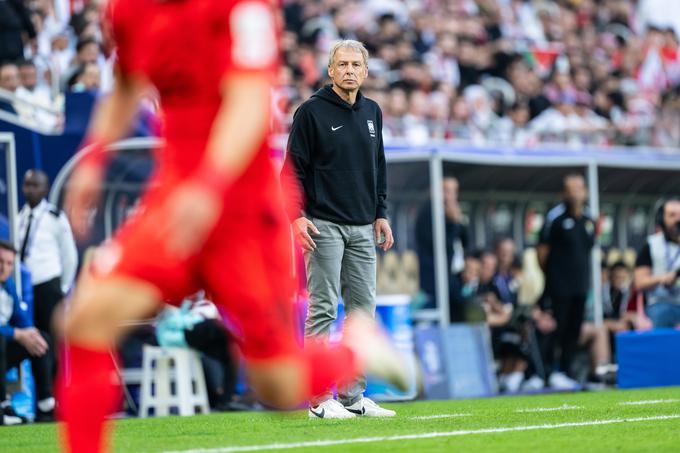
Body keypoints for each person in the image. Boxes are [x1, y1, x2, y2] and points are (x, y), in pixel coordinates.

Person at [59, 4, 407, 452]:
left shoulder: (242, 9)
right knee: (85, 319)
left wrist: (209, 185)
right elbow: (127, 82)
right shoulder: (129, 9)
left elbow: (246, 105)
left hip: (240, 209)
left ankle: (353, 353)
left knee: (279, 388)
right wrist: (94, 157)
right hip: (176, 198)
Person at [284, 39, 397, 419]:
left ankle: (353, 397)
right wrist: (297, 217)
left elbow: (378, 167)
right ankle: (318, 399)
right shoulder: (310, 113)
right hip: (324, 225)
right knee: (323, 310)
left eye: (356, 64)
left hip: (364, 226)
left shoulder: (373, 112)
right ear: (330, 70)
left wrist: (381, 212)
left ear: (365, 72)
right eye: (342, 64)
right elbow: (291, 171)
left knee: (362, 315)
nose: (349, 70)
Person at [537, 173, 595, 390]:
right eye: (570, 189)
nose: (575, 194)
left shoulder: (589, 219)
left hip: (580, 286)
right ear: (563, 193)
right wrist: (554, 275)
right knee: (556, 329)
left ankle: (568, 371)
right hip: (559, 286)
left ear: (585, 191)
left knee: (574, 330)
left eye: (579, 188)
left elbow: (588, 250)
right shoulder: (555, 218)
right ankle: (549, 371)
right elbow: (542, 253)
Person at [0, 240, 55, 425]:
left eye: (8, 263)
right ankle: (3, 405)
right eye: (0, 261)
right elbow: (14, 330)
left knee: (41, 338)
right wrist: (17, 334)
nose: (4, 268)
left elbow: (20, 317)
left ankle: (45, 405)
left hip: (3, 353)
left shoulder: (8, 286)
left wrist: (31, 332)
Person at [18, 169, 78, 339]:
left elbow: (69, 256)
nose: (30, 190)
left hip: (48, 286)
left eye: (35, 185)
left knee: (50, 338)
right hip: (26, 287)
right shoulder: (19, 217)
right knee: (31, 337)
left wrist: (62, 287)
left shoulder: (55, 218)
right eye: (27, 185)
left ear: (45, 189)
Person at [415, 176, 469, 308]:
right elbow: (442, 245)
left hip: (453, 274)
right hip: (434, 277)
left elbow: (466, 241)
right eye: (446, 190)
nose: (450, 195)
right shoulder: (428, 212)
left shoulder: (451, 212)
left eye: (453, 191)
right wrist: (453, 223)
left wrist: (458, 221)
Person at [634, 197, 680, 328]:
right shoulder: (651, 244)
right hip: (661, 303)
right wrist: (663, 278)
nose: (678, 219)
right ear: (661, 219)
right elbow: (639, 283)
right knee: (663, 312)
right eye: (672, 215)